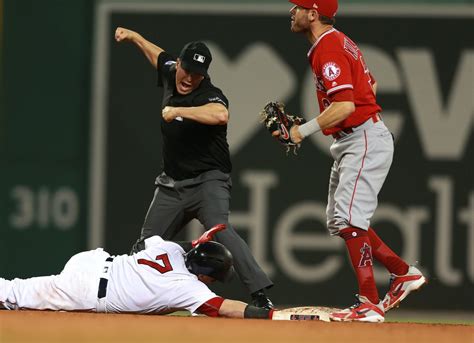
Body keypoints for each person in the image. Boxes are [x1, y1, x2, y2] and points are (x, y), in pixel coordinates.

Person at [281, 0, 427, 322]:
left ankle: (369, 303)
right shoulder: (337, 40)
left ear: (313, 13)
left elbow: (346, 105)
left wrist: (301, 131)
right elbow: (369, 86)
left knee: (349, 219)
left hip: (361, 137)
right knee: (340, 219)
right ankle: (403, 273)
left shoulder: (328, 47)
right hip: (355, 137)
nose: (291, 11)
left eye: (297, 6)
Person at [114, 27, 273, 309]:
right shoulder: (170, 70)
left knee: (220, 228)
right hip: (171, 185)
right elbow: (157, 55)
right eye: (186, 70)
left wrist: (179, 111)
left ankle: (260, 294)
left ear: (205, 74)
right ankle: (127, 293)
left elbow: (220, 115)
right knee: (146, 245)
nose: (189, 78)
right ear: (179, 65)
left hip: (208, 181)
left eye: (197, 74)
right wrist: (135, 38)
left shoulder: (210, 94)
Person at [0, 227, 274, 319]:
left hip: (92, 261)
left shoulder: (171, 250)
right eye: (215, 276)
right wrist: (266, 314)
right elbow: (226, 308)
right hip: (86, 291)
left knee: (19, 288)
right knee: (16, 295)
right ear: (204, 274)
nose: (215, 282)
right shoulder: (188, 288)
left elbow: (153, 240)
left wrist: (195, 244)